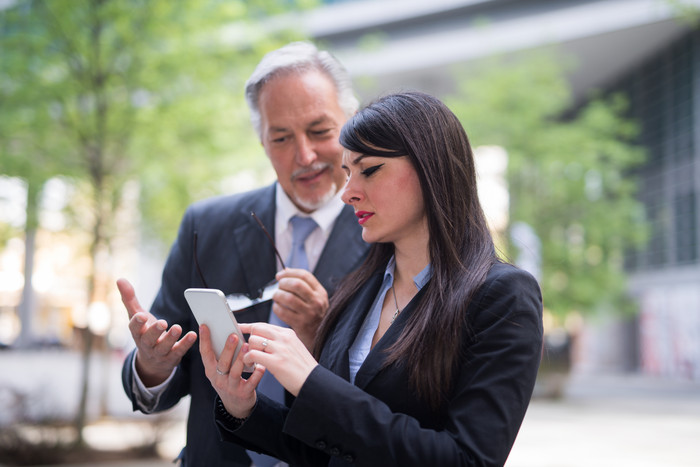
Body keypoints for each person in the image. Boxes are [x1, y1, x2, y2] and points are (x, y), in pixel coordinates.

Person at [201, 91, 544, 466]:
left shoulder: (501, 296)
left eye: (369, 170)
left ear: (432, 166)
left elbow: (467, 460)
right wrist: (243, 407)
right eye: (347, 173)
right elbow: (329, 449)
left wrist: (312, 382)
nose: (348, 193)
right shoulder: (358, 289)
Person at [118, 42, 369, 467]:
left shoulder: (384, 236)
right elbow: (166, 374)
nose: (305, 155)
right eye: (281, 137)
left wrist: (319, 336)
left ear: (350, 125)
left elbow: (387, 403)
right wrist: (152, 364)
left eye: (320, 131)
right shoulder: (206, 225)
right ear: (262, 142)